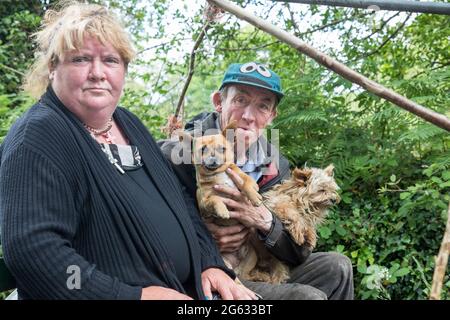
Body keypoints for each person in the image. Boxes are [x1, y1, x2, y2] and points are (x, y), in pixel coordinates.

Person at [0, 1, 258, 300]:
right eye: (81, 59)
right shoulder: (37, 138)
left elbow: (181, 201)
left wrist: (210, 263)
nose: (98, 73)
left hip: (192, 287)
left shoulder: (127, 123)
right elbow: (36, 256)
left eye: (110, 60)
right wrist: (133, 297)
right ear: (52, 67)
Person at [159, 62, 354, 300]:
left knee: (338, 266)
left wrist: (265, 222)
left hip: (255, 265)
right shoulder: (178, 154)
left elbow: (297, 251)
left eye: (263, 106)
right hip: (201, 274)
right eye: (240, 100)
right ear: (219, 101)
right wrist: (203, 238)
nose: (249, 116)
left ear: (271, 116)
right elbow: (149, 223)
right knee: (306, 297)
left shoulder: (274, 165)